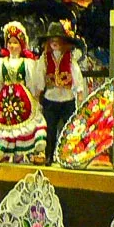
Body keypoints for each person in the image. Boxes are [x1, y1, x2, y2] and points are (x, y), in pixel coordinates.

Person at [0, 21, 47, 163]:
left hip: (22, 97)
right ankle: (6, 153)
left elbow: (31, 82)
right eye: (10, 43)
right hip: (5, 97)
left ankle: (21, 154)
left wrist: (34, 96)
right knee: (4, 122)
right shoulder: (1, 62)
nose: (12, 46)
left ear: (21, 45)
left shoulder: (28, 63)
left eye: (15, 43)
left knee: (24, 123)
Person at [39, 19, 87, 152]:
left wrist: (79, 92)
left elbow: (76, 75)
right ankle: (49, 154)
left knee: (69, 129)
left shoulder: (70, 58)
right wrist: (37, 93)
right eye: (52, 39)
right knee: (50, 129)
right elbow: (39, 76)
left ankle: (68, 153)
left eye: (58, 39)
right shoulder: (44, 58)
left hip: (67, 99)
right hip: (50, 98)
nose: (54, 42)